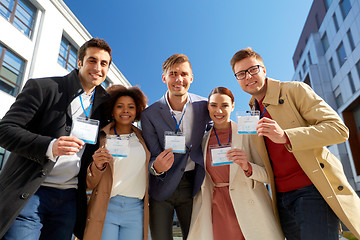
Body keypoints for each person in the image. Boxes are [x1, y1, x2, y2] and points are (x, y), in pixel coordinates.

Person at [230, 47, 360, 240]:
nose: (248, 76)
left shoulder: (295, 90)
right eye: (241, 74)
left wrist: (286, 136)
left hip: (311, 190)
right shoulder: (251, 114)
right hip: (281, 199)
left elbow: (339, 130)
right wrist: (247, 167)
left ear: (264, 70)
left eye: (253, 70)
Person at [0, 38, 112, 240]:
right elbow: (5, 130)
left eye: (104, 64)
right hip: (30, 191)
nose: (97, 68)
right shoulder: (43, 88)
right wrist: (50, 146)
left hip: (69, 199)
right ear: (79, 63)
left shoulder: (103, 108)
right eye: (92, 60)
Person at [187, 87, 284, 240]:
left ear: (232, 106)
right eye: (214, 105)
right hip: (217, 207)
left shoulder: (248, 133)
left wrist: (248, 166)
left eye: (224, 105)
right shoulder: (202, 140)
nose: (219, 111)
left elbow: (268, 176)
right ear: (208, 107)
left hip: (248, 203)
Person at [141, 53, 212, 239]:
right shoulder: (149, 115)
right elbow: (151, 155)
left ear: (191, 77)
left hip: (193, 184)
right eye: (173, 73)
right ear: (164, 78)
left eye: (183, 74)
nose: (178, 79)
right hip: (161, 186)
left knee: (196, 236)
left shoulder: (205, 106)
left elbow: (215, 134)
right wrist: (156, 168)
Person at [83, 85, 150, 240]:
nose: (125, 110)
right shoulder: (99, 137)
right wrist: (97, 166)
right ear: (112, 110)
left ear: (137, 111)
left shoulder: (145, 139)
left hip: (136, 209)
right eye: (120, 106)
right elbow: (88, 183)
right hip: (106, 206)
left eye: (131, 107)